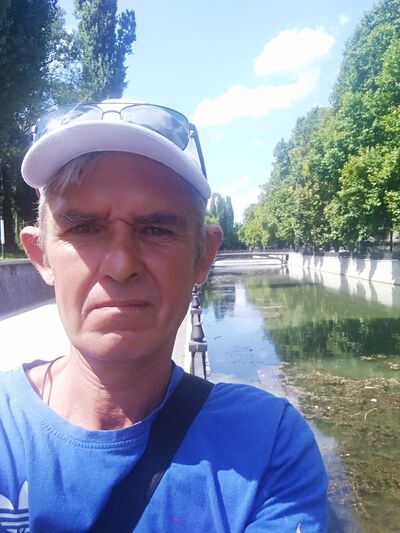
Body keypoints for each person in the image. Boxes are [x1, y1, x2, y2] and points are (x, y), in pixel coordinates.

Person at [0, 100, 327, 532]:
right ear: (41, 255)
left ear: (203, 256)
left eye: (156, 229)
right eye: (84, 228)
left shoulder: (269, 445)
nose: (121, 265)